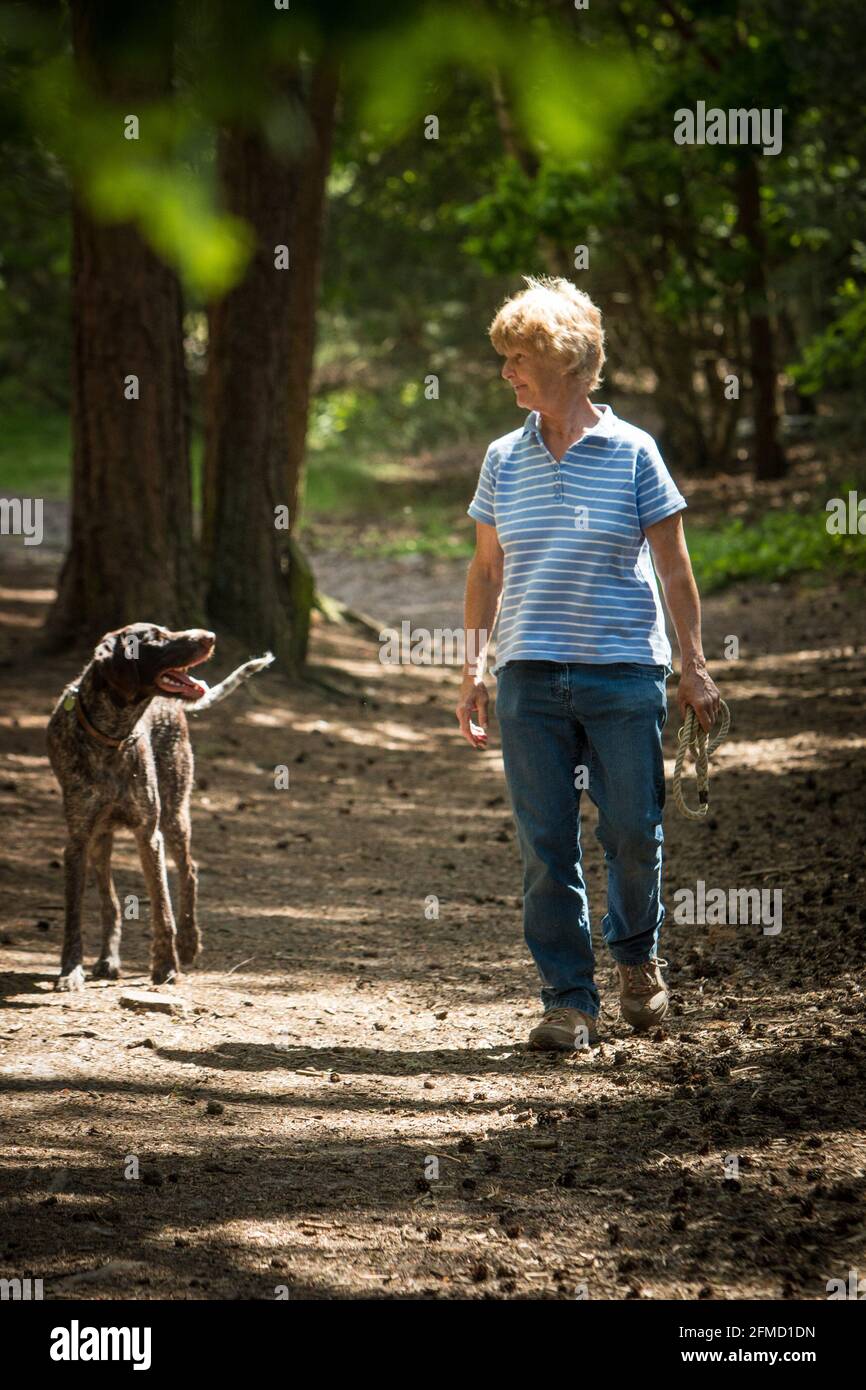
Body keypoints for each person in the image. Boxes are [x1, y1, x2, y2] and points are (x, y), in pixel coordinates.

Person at [455, 276, 721, 1051]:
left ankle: (637, 959)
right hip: (529, 679)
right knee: (546, 848)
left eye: (518, 357)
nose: (506, 371)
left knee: (635, 831)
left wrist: (694, 668)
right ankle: (568, 1000)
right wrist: (473, 668)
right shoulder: (503, 459)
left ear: (567, 360)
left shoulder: (635, 451)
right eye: (503, 358)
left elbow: (675, 569)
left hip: (623, 674)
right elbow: (484, 570)